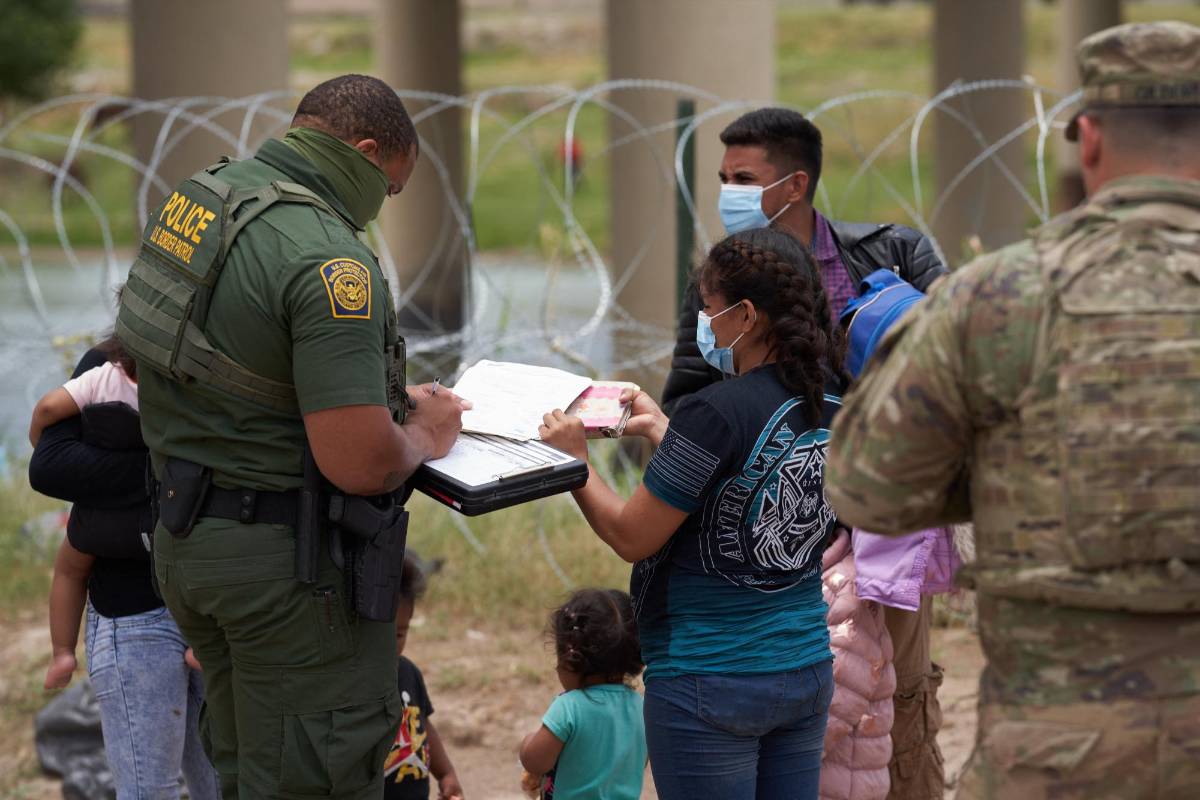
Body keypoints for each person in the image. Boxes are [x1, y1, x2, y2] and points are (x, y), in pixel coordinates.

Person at [825, 21, 1200, 800]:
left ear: (1089, 140)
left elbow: (867, 489)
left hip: (1058, 747)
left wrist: (1003, 469)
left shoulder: (995, 296)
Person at [116, 74, 467, 800]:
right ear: (365, 153)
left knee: (247, 768)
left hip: (187, 543)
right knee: (317, 773)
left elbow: (170, 359)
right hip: (288, 575)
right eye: (390, 187)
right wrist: (423, 434)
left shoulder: (198, 201)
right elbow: (361, 462)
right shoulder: (331, 261)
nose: (382, 204)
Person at [660, 108, 949, 798]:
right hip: (775, 537)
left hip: (882, 525)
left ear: (794, 184)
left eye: (743, 178)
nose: (728, 192)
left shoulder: (893, 255)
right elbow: (688, 399)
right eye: (724, 178)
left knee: (896, 695)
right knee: (797, 706)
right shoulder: (721, 282)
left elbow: (956, 367)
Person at [541, 227, 843, 800]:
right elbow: (750, 482)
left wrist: (575, 463)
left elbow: (632, 536)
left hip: (710, 680)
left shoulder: (714, 410)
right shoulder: (834, 399)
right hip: (804, 666)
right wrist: (668, 432)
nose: (704, 323)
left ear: (746, 315)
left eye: (709, 308)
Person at [28, 338, 220, 800]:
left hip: (207, 605)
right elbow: (48, 465)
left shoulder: (112, 375)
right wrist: (174, 475)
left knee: (222, 783)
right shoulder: (108, 367)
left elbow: (47, 416)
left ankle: (64, 652)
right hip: (135, 609)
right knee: (155, 786)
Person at [519, 588, 646, 800]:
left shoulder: (569, 707)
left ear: (570, 658)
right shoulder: (640, 707)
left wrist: (527, 743)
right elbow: (637, 762)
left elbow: (535, 762)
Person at [385, 555, 464, 800]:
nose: (391, 645)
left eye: (399, 634)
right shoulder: (355, 683)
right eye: (382, 635)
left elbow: (423, 724)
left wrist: (446, 773)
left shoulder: (408, 672)